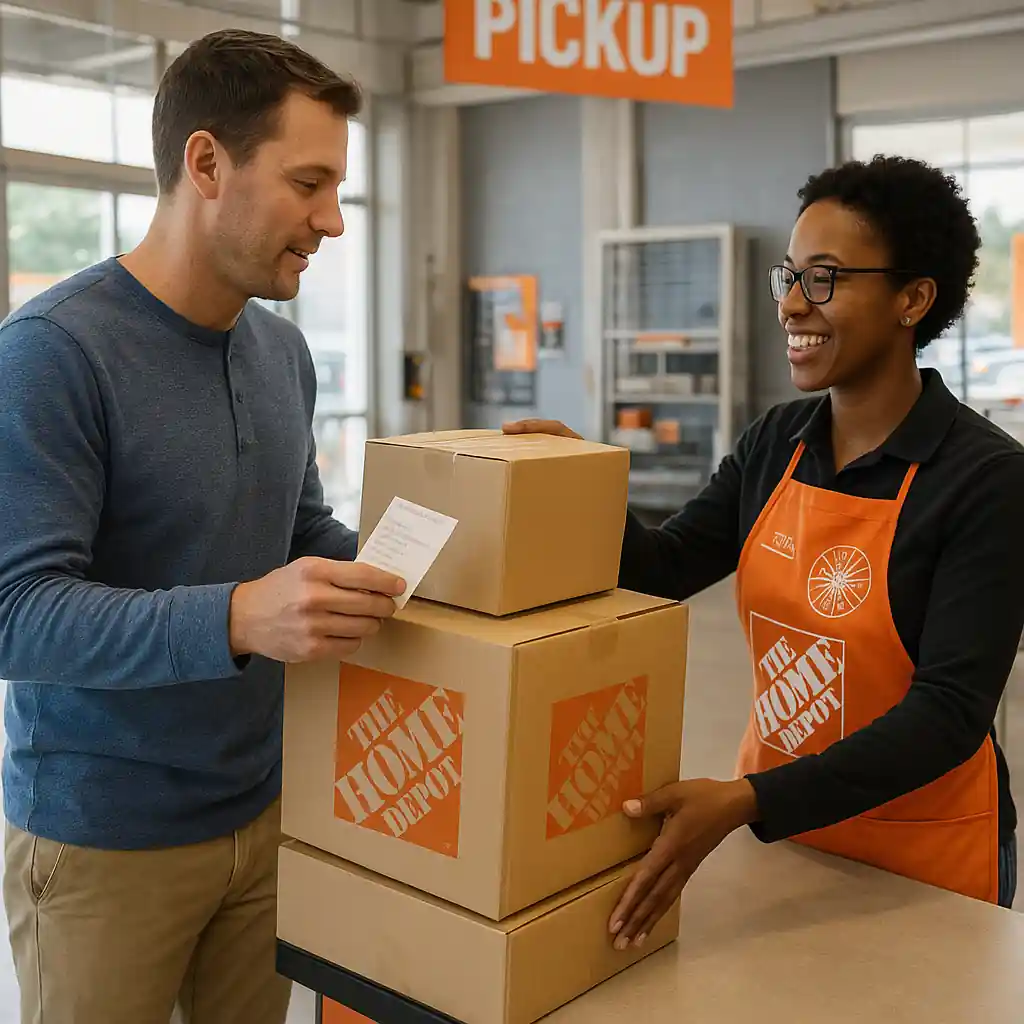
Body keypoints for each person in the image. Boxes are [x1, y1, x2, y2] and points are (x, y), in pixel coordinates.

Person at [504, 155, 1024, 946]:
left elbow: (947, 717)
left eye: (824, 279)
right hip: (789, 836)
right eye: (789, 276)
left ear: (912, 299)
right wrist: (582, 488)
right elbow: (665, 569)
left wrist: (748, 798)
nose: (790, 303)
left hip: (923, 856)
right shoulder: (777, 442)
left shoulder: (984, 479)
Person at [0, 29, 404, 1024]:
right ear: (207, 162)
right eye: (309, 183)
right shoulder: (51, 355)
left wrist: (443, 550)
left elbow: (301, 530)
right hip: (103, 844)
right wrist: (237, 617)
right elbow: (17, 613)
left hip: (264, 816)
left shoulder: (282, 355)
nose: (332, 221)